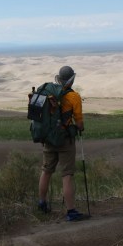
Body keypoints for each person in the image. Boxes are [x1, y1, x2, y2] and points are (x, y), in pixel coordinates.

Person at [37, 65, 85, 221]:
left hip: (49, 139)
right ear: (71, 80)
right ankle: (71, 212)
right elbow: (79, 124)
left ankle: (42, 203)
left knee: (46, 170)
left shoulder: (49, 93)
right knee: (67, 175)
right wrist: (79, 127)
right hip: (65, 140)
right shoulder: (74, 97)